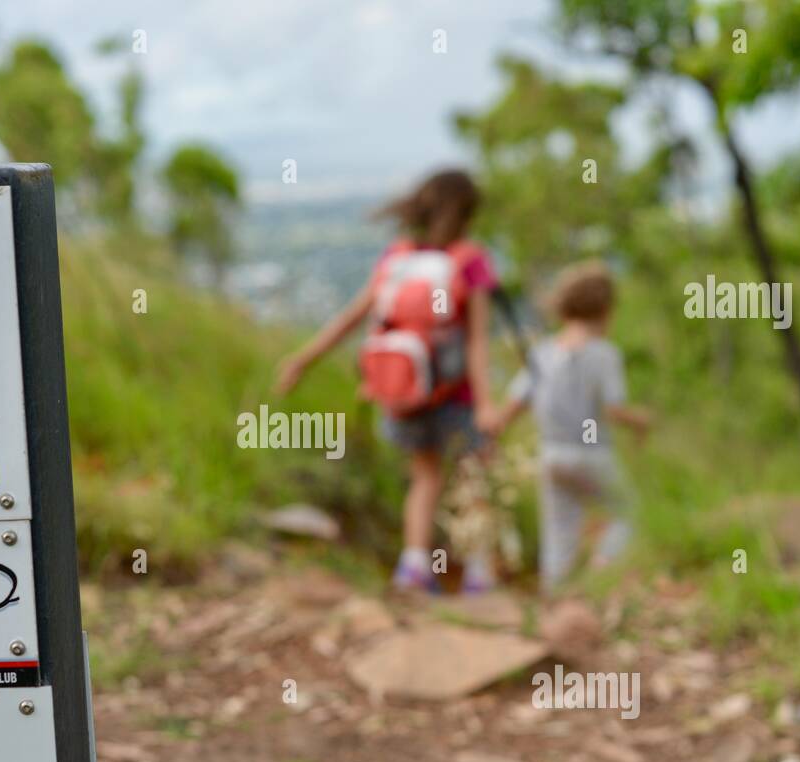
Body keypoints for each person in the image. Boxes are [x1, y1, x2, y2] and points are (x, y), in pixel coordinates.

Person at [276, 169, 499, 592]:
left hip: (404, 391)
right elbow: (477, 342)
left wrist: (303, 361)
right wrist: (486, 404)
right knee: (473, 476)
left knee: (425, 475)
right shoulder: (469, 260)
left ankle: (414, 565)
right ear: (468, 212)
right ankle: (479, 572)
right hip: (457, 394)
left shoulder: (397, 256)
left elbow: (351, 318)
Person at [487, 260, 650, 591]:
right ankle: (603, 566)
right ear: (605, 309)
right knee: (629, 514)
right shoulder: (604, 354)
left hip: (552, 456)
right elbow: (613, 409)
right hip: (592, 455)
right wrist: (641, 421)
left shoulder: (543, 353)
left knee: (559, 535)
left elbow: (515, 405)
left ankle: (554, 600)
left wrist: (494, 429)